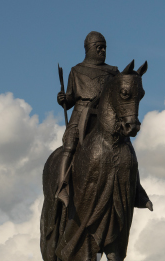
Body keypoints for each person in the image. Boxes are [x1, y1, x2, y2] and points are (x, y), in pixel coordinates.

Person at [56, 31, 119, 206]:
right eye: (98, 47)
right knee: (70, 143)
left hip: (104, 116)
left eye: (104, 47)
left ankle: (136, 189)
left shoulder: (113, 72)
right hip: (81, 112)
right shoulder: (76, 71)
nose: (102, 50)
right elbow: (69, 99)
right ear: (90, 49)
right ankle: (63, 186)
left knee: (124, 146)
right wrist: (62, 98)